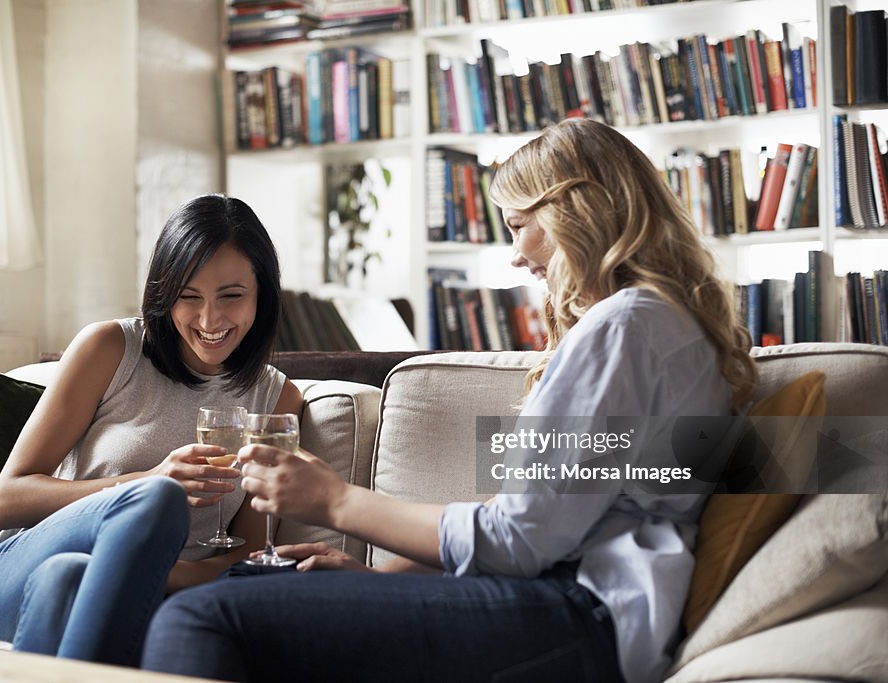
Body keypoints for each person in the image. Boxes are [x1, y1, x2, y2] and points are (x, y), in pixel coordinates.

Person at [140, 119, 758, 683]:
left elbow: (519, 540)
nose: (516, 255)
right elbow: (541, 516)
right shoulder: (662, 328)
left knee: (202, 615)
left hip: (581, 612)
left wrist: (336, 500)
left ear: (579, 211)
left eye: (519, 225)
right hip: (584, 608)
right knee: (247, 590)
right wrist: (376, 582)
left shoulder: (624, 329)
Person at [0, 194, 303, 667]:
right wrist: (149, 482)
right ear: (166, 294)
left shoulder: (278, 401)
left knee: (69, 577)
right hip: (15, 576)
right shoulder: (110, 349)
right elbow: (7, 501)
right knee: (156, 502)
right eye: (189, 296)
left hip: (131, 595)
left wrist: (145, 572)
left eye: (231, 295)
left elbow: (245, 557)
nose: (209, 320)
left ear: (262, 293)